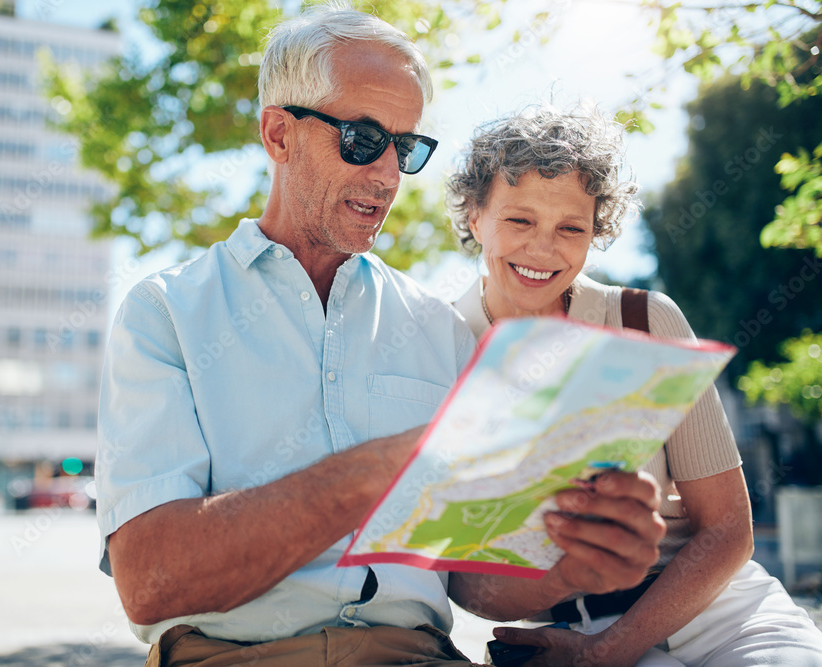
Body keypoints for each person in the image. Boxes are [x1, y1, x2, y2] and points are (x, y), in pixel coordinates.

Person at [96, 7, 668, 666]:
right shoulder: (164, 313)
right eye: (364, 139)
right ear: (279, 134)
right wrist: (384, 468)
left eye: (407, 148)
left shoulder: (437, 327)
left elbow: (470, 576)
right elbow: (151, 581)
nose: (389, 175)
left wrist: (574, 566)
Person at [446, 103, 822, 666]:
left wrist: (609, 650)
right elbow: (465, 584)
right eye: (519, 221)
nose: (543, 249)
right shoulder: (443, 348)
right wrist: (569, 583)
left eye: (571, 228)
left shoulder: (647, 320)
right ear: (475, 217)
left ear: (595, 232)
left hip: (719, 611)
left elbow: (728, 529)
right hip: (564, 635)